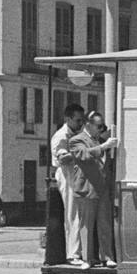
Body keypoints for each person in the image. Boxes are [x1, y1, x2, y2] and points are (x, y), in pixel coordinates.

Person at [68, 112, 120, 267]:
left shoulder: (101, 140)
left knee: (104, 224)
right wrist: (104, 147)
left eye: (102, 127)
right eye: (99, 126)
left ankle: (107, 257)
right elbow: (83, 155)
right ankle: (87, 259)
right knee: (87, 226)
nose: (101, 129)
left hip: (102, 188)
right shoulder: (76, 140)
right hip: (86, 188)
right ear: (88, 125)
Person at [50, 103, 87, 263]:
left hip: (79, 175)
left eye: (82, 120)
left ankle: (80, 251)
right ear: (68, 119)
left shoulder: (78, 133)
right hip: (67, 175)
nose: (80, 124)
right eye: (78, 120)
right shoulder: (61, 136)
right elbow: (62, 158)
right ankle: (73, 254)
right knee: (73, 214)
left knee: (81, 214)